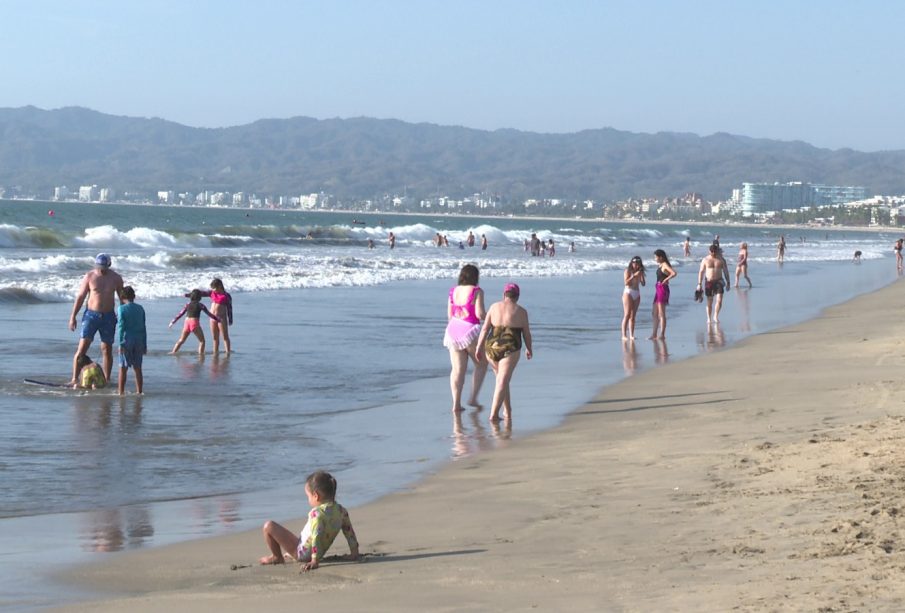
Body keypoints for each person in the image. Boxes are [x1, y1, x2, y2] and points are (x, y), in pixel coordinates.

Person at [259, 470, 359, 570]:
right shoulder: (341, 511)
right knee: (296, 541)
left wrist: (314, 561)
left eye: (308, 496)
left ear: (316, 496)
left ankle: (277, 557)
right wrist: (354, 552)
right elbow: (349, 533)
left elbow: (316, 536)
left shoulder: (316, 514)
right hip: (315, 551)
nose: (308, 499)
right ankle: (291, 554)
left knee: (269, 526)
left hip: (302, 553)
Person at [476, 283, 533, 423]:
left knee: (502, 380)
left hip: (491, 346)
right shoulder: (521, 311)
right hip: (510, 346)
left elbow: (484, 329)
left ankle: (507, 411)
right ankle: (494, 414)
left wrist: (479, 347)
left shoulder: (494, 307)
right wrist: (529, 348)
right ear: (517, 297)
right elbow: (526, 333)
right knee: (502, 380)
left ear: (504, 295)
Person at [69, 253, 125, 386]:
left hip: (109, 316)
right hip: (91, 316)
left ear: (109, 265)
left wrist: (123, 315)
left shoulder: (116, 278)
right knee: (82, 348)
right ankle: (74, 379)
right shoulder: (90, 276)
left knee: (107, 348)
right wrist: (73, 317)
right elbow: (81, 297)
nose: (101, 269)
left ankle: (106, 379)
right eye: (99, 266)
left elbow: (122, 298)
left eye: (104, 267)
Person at [442, 264, 488, 412]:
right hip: (470, 330)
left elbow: (450, 316)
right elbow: (480, 314)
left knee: (457, 370)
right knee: (481, 364)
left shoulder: (452, 291)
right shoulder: (476, 291)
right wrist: (491, 319)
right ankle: (473, 398)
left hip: (453, 331)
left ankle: (456, 404)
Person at [169, 289, 220, 354]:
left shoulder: (188, 304)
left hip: (186, 323)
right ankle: (201, 355)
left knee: (181, 340)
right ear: (199, 297)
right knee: (202, 341)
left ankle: (173, 352)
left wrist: (172, 322)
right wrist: (218, 319)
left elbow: (180, 314)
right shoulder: (201, 305)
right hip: (194, 323)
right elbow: (209, 314)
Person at [117, 286, 146, 395]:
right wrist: (145, 344)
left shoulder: (121, 309)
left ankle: (121, 392)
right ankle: (139, 391)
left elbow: (121, 326)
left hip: (127, 339)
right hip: (139, 339)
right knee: (138, 368)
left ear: (122, 297)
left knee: (123, 368)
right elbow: (143, 326)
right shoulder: (140, 308)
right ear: (134, 296)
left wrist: (120, 343)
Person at [195, 278, 233, 354]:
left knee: (225, 337)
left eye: (214, 288)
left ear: (219, 286)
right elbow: (201, 293)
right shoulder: (212, 293)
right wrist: (189, 294)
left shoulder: (226, 296)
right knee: (215, 338)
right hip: (212, 318)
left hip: (221, 318)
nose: (213, 290)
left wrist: (230, 319)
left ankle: (228, 353)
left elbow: (229, 308)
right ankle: (215, 352)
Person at [697, 243, 731, 323]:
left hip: (719, 281)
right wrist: (699, 284)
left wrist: (728, 282)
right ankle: (709, 318)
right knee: (710, 301)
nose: (713, 253)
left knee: (719, 300)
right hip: (709, 282)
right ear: (709, 251)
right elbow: (701, 272)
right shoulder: (705, 260)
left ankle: (715, 316)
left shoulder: (721, 260)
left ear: (717, 251)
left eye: (714, 252)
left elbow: (726, 271)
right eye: (711, 252)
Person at [649, 249, 677, 339]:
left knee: (661, 313)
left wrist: (665, 280)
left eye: (655, 257)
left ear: (660, 257)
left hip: (662, 289)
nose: (655, 259)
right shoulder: (660, 265)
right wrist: (666, 278)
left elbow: (674, 273)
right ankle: (654, 334)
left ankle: (662, 334)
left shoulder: (664, 264)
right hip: (658, 289)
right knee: (654, 313)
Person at [621, 256, 646, 340]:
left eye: (638, 263)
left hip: (637, 293)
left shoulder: (640, 271)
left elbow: (643, 284)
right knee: (627, 314)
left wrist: (641, 275)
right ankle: (624, 335)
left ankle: (631, 335)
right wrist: (633, 276)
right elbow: (626, 283)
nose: (636, 265)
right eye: (634, 263)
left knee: (633, 316)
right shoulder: (627, 271)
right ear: (631, 263)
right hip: (628, 292)